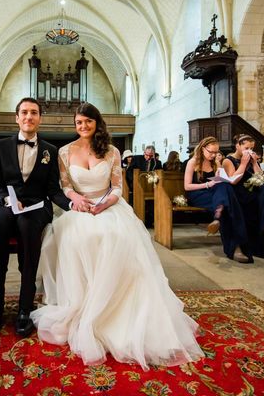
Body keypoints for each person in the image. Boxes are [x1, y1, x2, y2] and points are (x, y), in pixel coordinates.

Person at [31, 103, 204, 369]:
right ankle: (82, 302)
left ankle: (116, 308)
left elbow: (117, 187)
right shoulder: (65, 152)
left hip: (108, 206)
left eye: (88, 122)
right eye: (78, 123)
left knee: (114, 237)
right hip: (80, 207)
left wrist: (104, 204)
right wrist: (76, 198)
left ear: (96, 122)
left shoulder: (111, 151)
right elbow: (65, 185)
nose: (83, 127)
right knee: (75, 237)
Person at [0, 97, 70, 338]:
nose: (29, 117)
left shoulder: (50, 151)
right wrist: (7, 200)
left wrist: (72, 205)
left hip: (36, 206)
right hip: (6, 204)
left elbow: (53, 190)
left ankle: (24, 308)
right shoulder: (1, 146)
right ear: (17, 117)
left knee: (28, 228)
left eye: (34, 112)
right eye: (24, 112)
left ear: (40, 118)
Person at [184, 136, 250, 263]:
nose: (214, 155)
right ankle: (236, 248)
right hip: (197, 194)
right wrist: (207, 184)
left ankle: (218, 216)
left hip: (215, 195)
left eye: (216, 152)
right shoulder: (193, 162)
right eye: (211, 152)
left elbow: (221, 181)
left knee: (224, 186)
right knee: (229, 204)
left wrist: (220, 177)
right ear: (203, 149)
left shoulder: (215, 163)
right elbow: (187, 186)